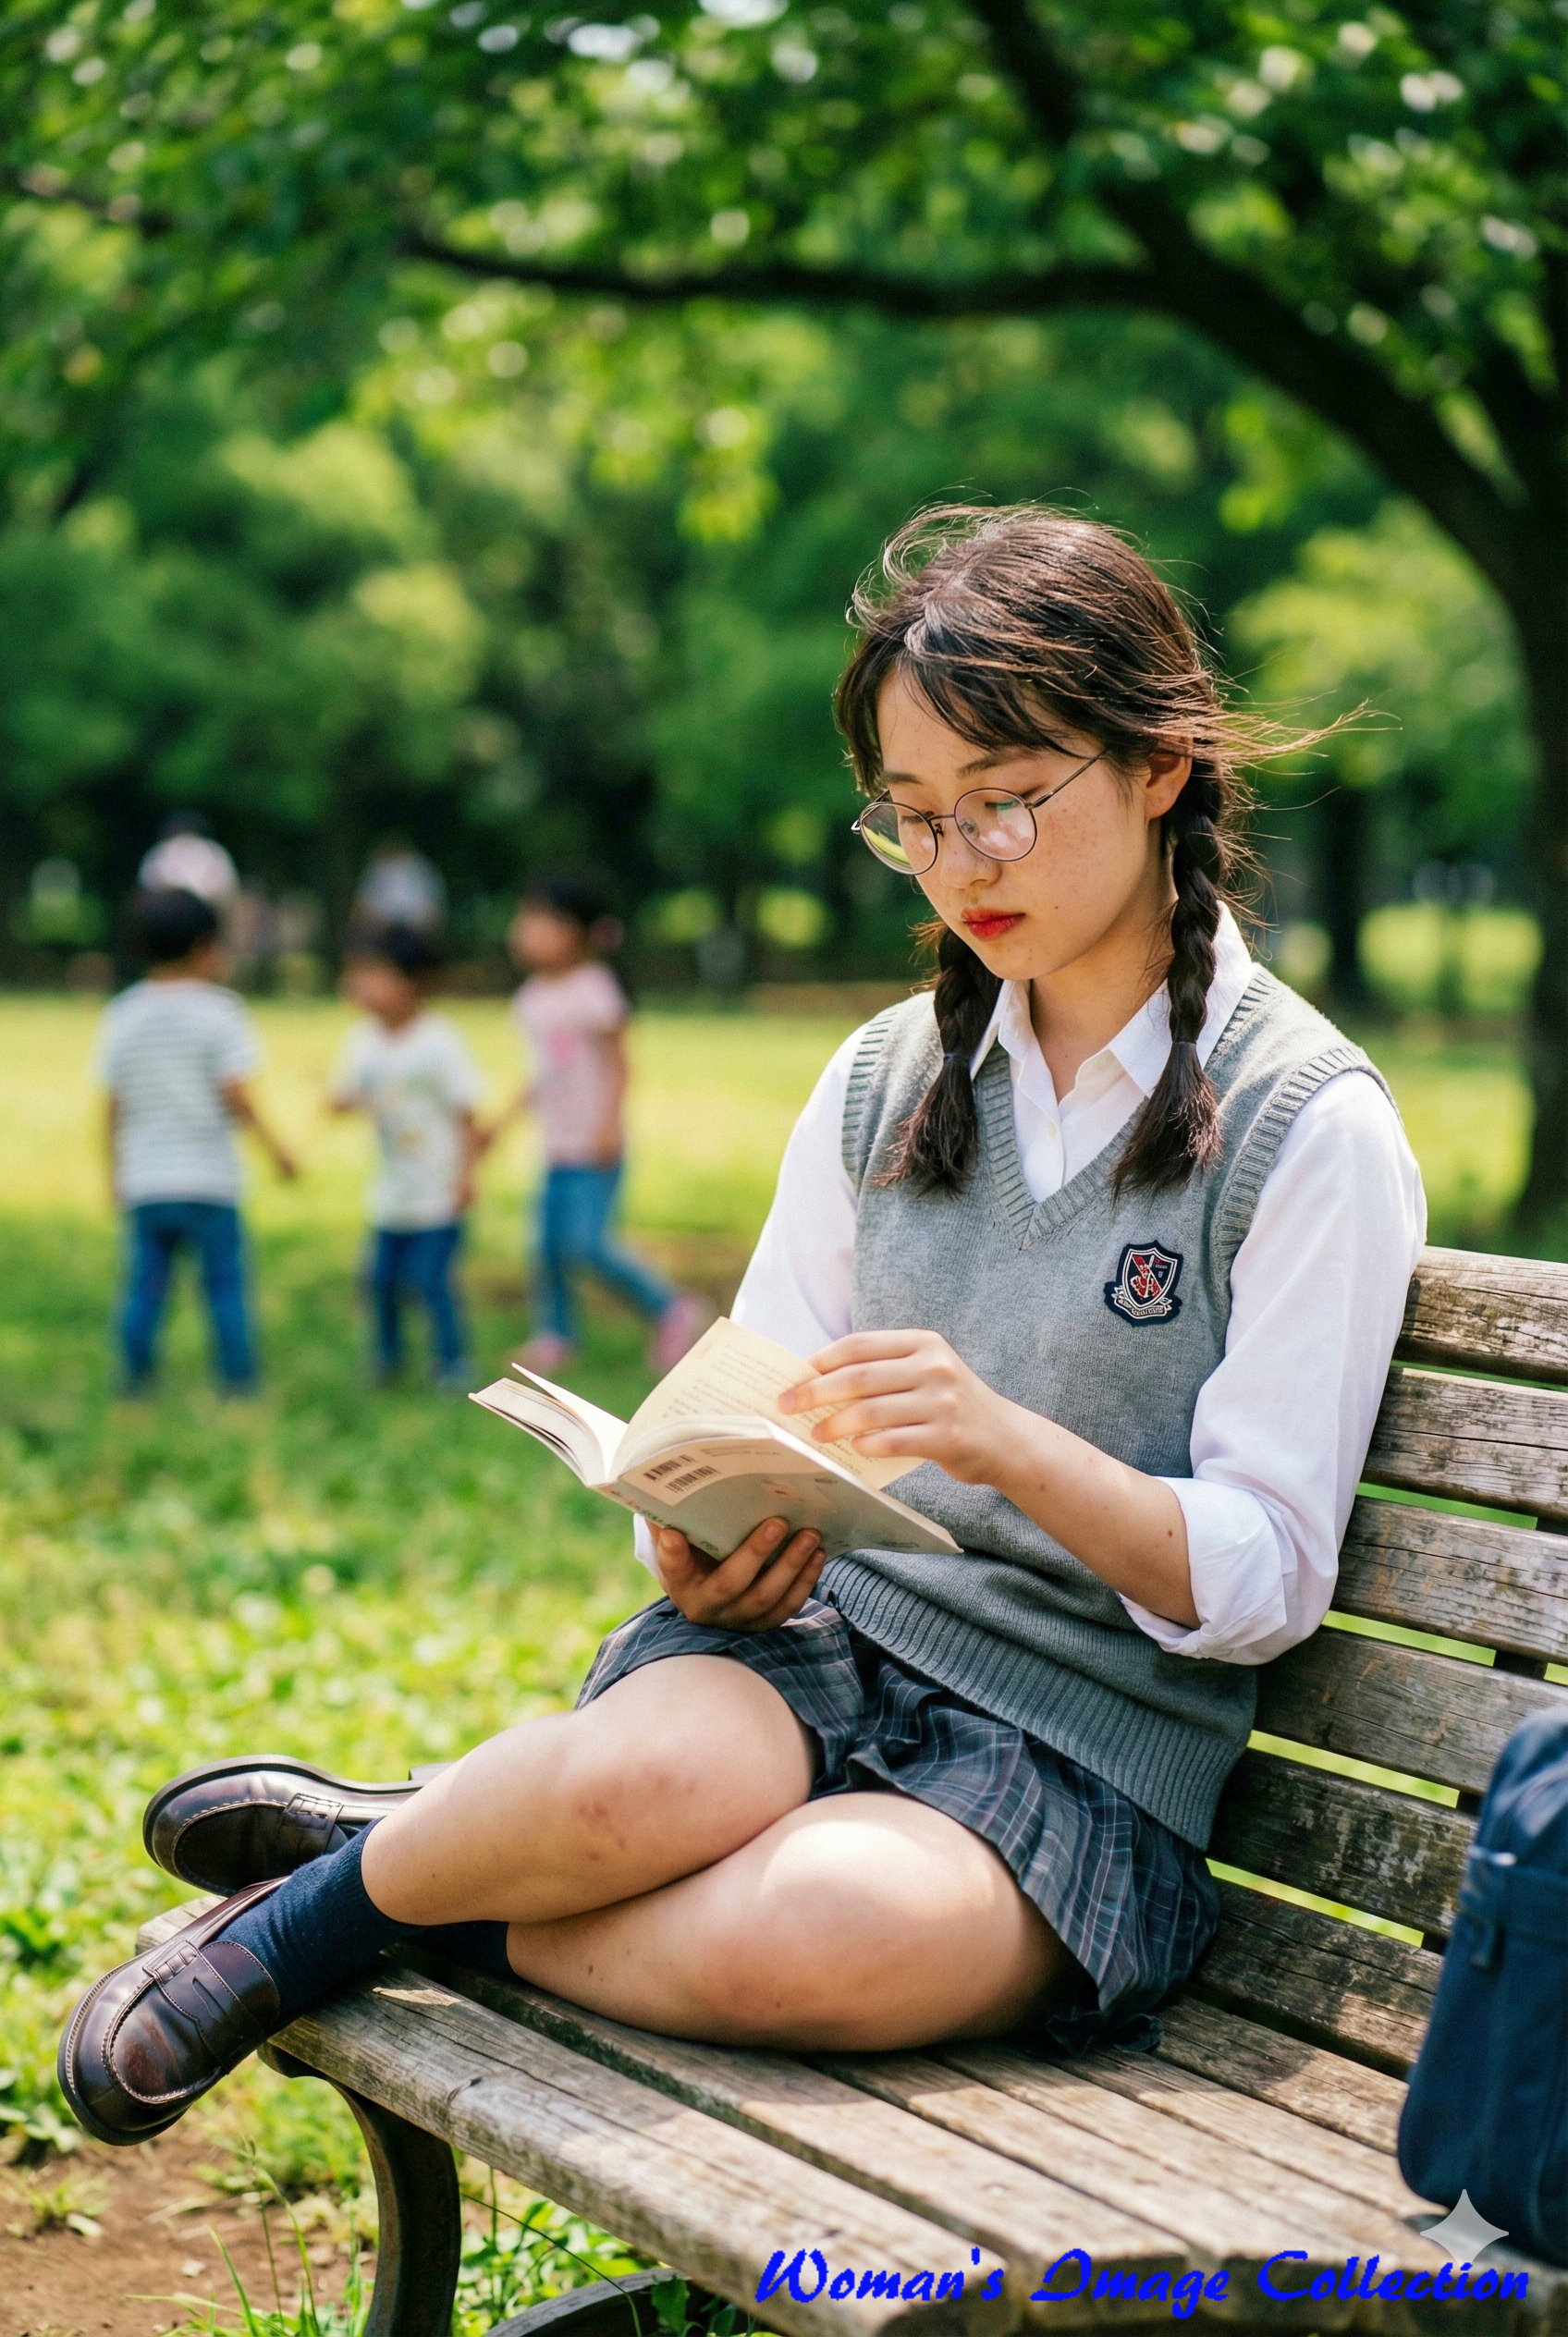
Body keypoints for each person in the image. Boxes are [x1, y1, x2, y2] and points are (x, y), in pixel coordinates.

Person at [60, 506, 1428, 2147]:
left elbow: (1267, 1571)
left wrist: (1005, 1442)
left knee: (824, 1935)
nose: (959, 864)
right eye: (915, 819)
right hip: (808, 1647)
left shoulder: (1302, 1125)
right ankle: (316, 1925)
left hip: (1078, 1760)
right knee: (640, 1781)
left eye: (1006, 803)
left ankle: (423, 1882)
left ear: (1156, 766)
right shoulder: (885, 1080)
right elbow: (757, 1397)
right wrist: (697, 1550)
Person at [487, 875, 707, 1376]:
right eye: (524, 920)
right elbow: (541, 1075)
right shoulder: (532, 998)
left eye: (540, 922)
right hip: (557, 1146)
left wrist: (609, 1124)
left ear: (577, 933)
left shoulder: (593, 989)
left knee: (587, 1244)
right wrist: (499, 1125)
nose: (525, 932)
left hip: (594, 1145)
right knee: (546, 1247)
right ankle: (556, 1335)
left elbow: (620, 1065)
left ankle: (670, 1307)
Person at [95, 887, 297, 1398]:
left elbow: (113, 1104)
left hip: (147, 1181)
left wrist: (113, 1172)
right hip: (210, 1182)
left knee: (144, 1291)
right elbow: (238, 1096)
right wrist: (277, 1151)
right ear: (207, 945)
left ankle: (134, 1386)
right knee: (225, 1289)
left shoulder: (123, 1013)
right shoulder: (221, 1012)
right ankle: (238, 1389)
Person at [329, 924, 483, 1393]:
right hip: (391, 1194)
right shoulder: (363, 1039)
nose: (361, 986)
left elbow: (466, 1111)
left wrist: (466, 1174)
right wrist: (341, 1103)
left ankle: (453, 1363)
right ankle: (388, 1359)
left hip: (437, 1190)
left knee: (432, 1281)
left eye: (374, 975)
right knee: (380, 1282)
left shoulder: (438, 1041)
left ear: (412, 982)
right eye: (357, 975)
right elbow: (347, 1091)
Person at [137, 812, 239, 911]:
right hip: (193, 913)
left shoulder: (159, 851)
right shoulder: (215, 851)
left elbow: (148, 886)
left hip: (180, 913)